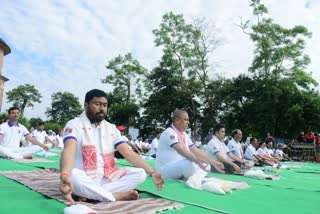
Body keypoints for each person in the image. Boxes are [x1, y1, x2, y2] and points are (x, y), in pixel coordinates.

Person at [59, 89, 164, 203]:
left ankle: (94, 194)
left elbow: (128, 153)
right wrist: (65, 175)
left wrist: (152, 172)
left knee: (140, 174)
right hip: (84, 177)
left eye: (105, 105)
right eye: (97, 104)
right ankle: (115, 196)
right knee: (73, 175)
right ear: (86, 105)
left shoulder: (111, 128)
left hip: (107, 177)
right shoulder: (75, 124)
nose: (102, 108)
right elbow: (69, 149)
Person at [156, 109, 224, 180]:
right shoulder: (169, 132)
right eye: (185, 120)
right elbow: (180, 149)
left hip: (179, 166)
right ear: (177, 120)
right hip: (165, 170)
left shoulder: (184, 134)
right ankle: (194, 178)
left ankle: (192, 177)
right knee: (189, 163)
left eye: (188, 120)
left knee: (207, 164)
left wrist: (214, 162)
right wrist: (196, 160)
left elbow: (195, 150)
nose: (188, 122)